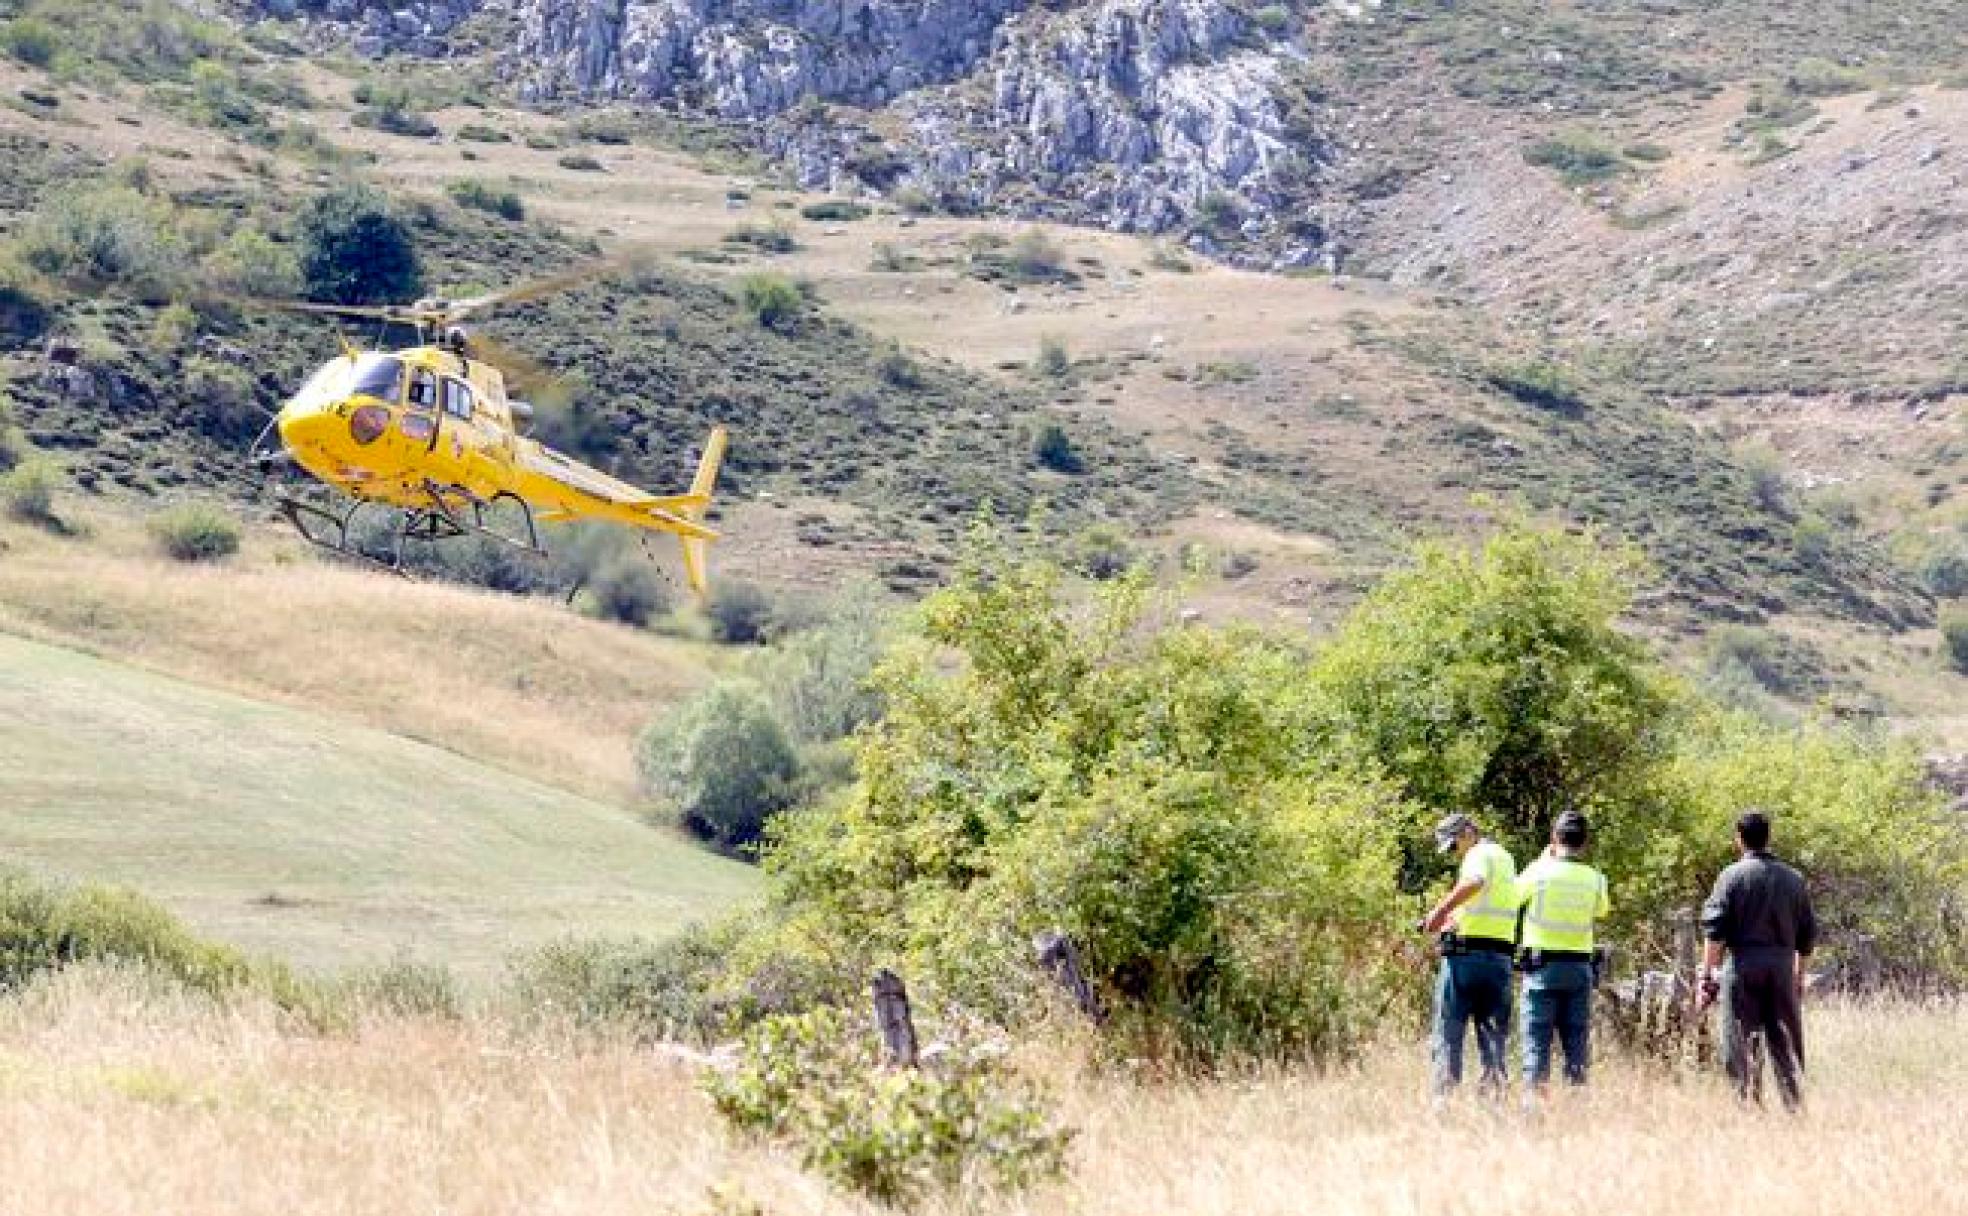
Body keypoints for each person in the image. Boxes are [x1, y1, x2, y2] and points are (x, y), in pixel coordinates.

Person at [1699, 808, 1817, 1110]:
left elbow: (1715, 932)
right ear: (1768, 837)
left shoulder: (1730, 876)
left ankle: (1748, 1108)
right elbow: (1806, 937)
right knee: (1786, 1045)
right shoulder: (1793, 879)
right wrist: (1798, 978)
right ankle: (1794, 1108)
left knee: (1739, 1043)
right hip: (1781, 968)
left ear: (1739, 840)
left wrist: (1707, 977)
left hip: (1742, 967)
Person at [1420, 813, 1519, 1097]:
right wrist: (1456, 917)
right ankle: (1494, 1103)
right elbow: (1487, 903)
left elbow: (1474, 882)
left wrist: (1438, 913)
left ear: (1467, 832)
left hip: (1466, 958)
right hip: (1499, 959)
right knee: (1493, 1036)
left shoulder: (1477, 854)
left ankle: (1443, 1101)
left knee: (1449, 1032)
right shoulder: (1504, 857)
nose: (1454, 852)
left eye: (1453, 845)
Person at [1511, 810, 1610, 1093]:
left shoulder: (1539, 871)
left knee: (1536, 1041)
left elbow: (1513, 896)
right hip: (1579, 969)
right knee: (1576, 1043)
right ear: (1585, 842)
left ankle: (1534, 1107)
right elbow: (1601, 910)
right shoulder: (1595, 879)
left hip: (1542, 969)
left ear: (1554, 838)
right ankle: (1576, 1105)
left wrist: (1542, 861)